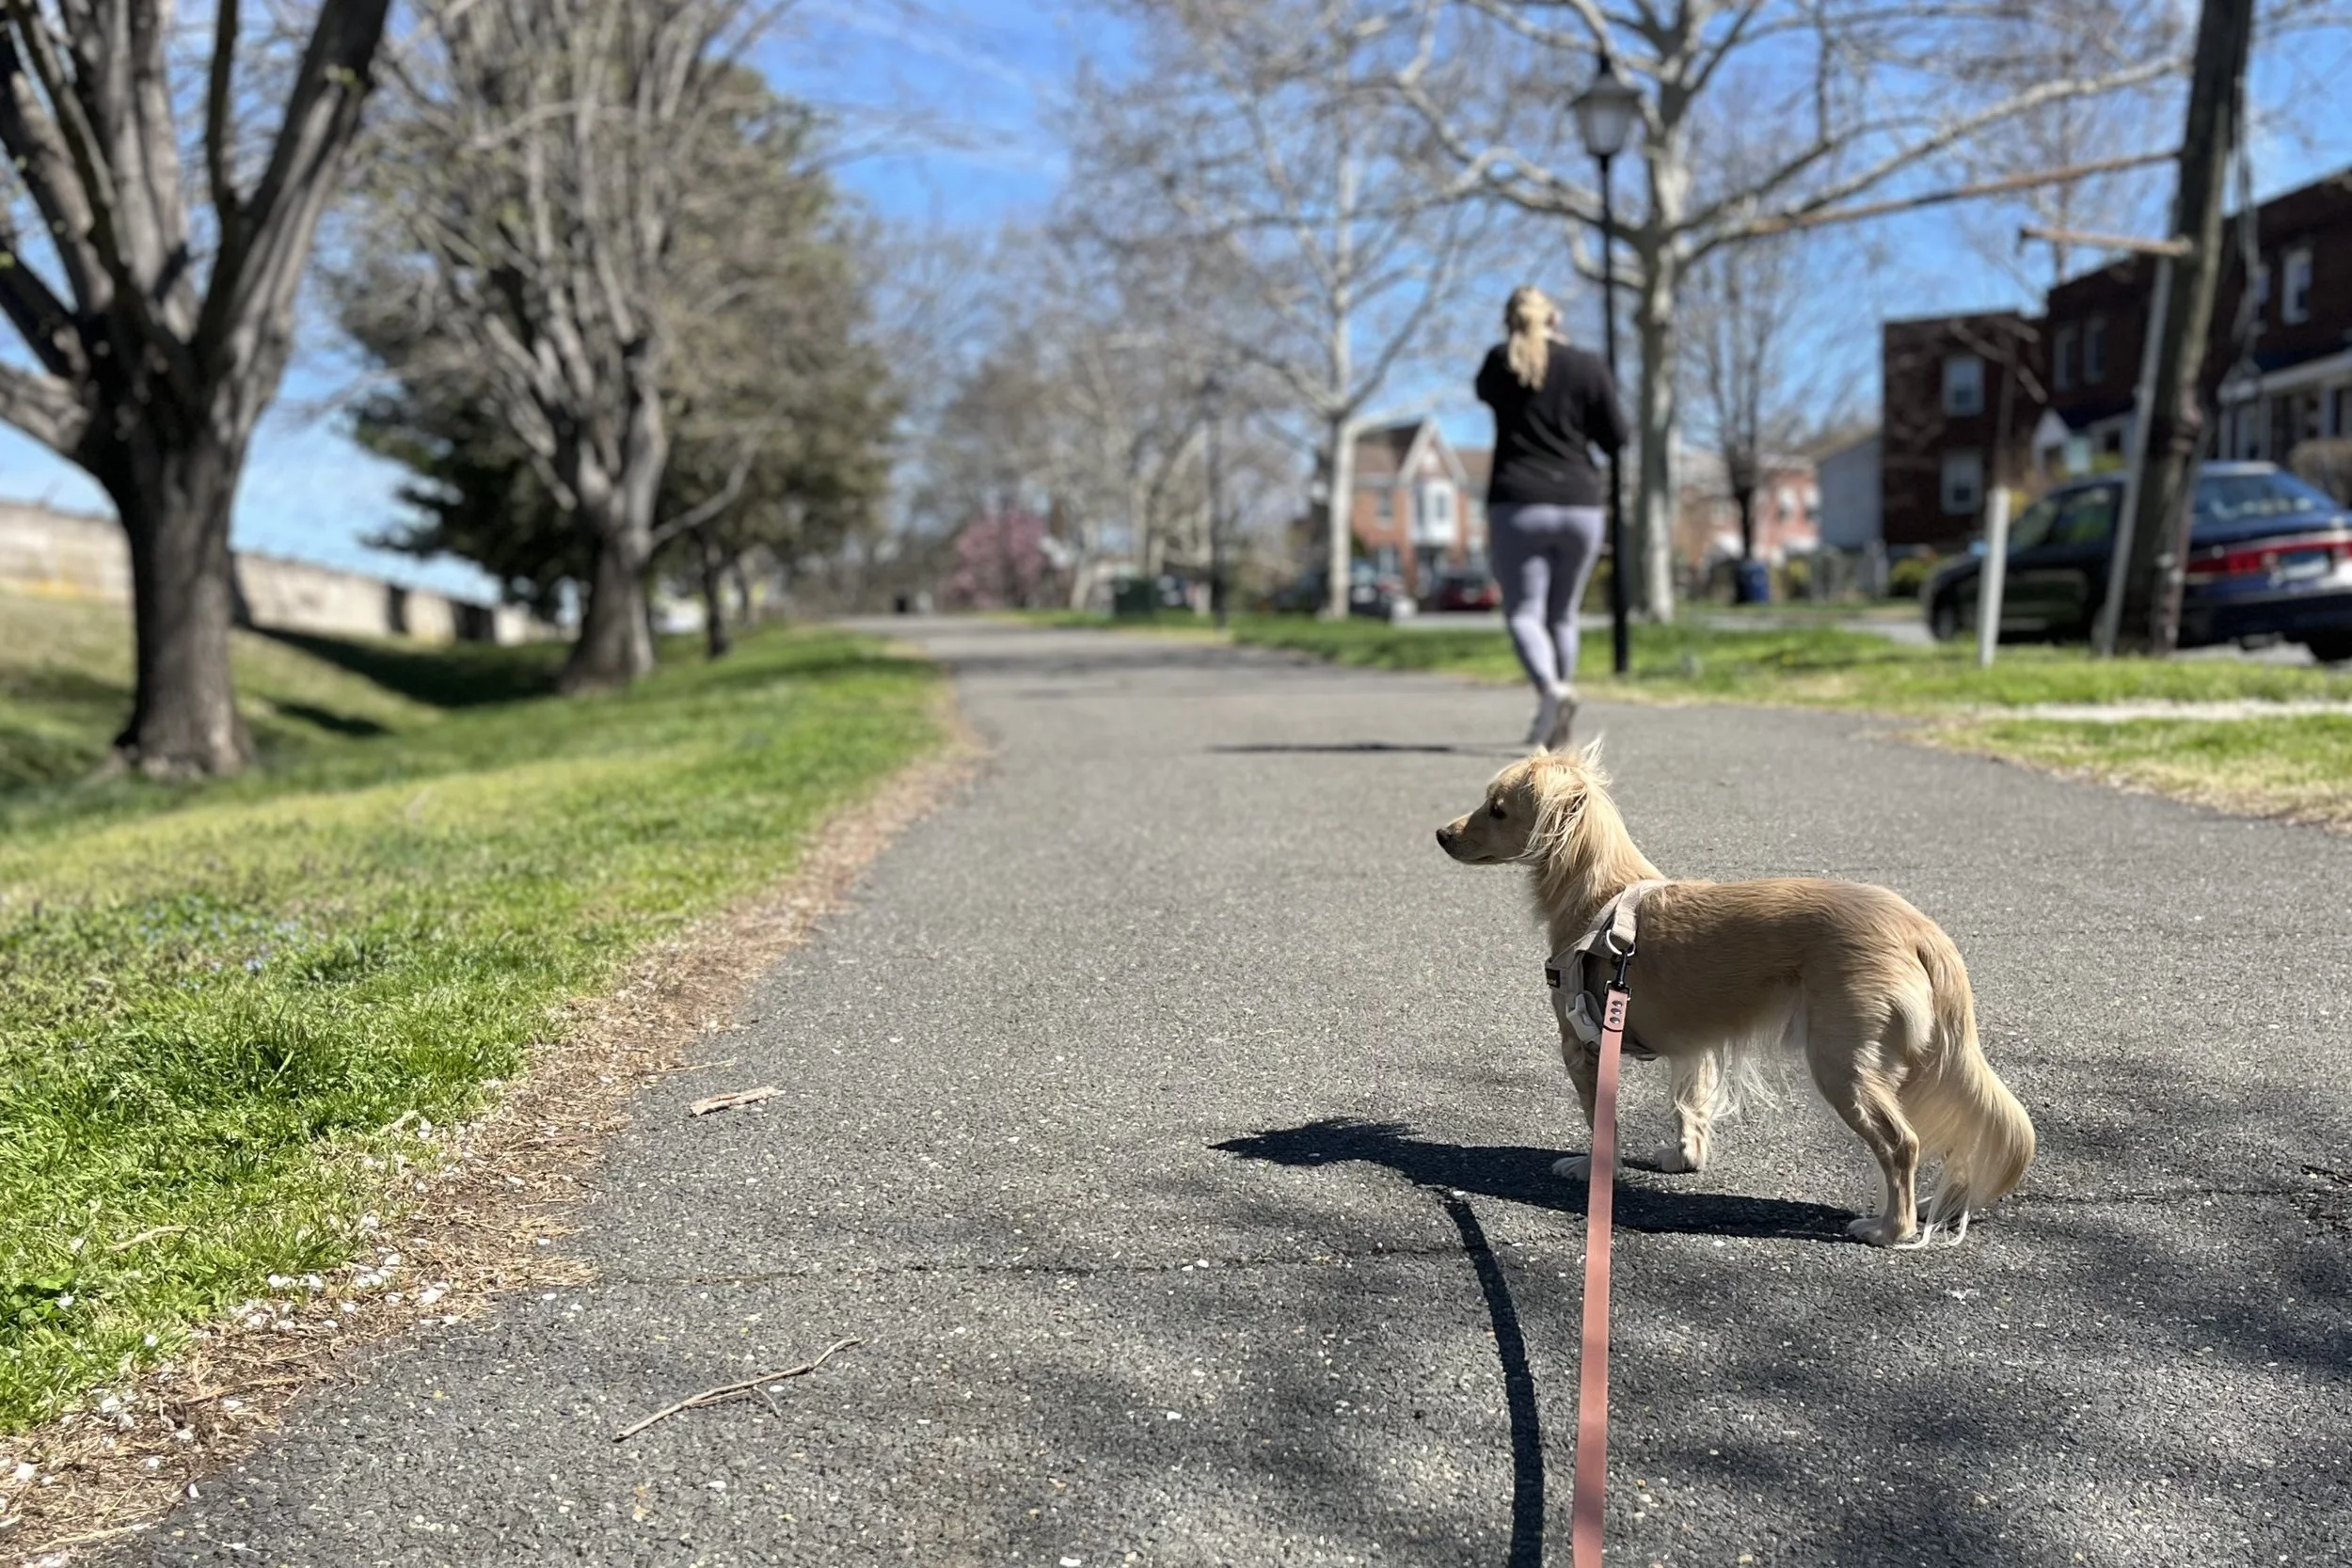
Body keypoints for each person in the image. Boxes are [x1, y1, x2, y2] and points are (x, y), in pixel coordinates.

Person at [1474, 284, 1627, 750]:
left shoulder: (1501, 362)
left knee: (1524, 611)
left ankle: (1551, 692)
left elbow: (1485, 392)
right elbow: (1617, 436)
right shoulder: (1587, 366)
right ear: (1556, 319)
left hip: (1519, 503)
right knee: (1562, 615)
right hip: (1581, 504)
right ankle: (1556, 723)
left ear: (1510, 321)